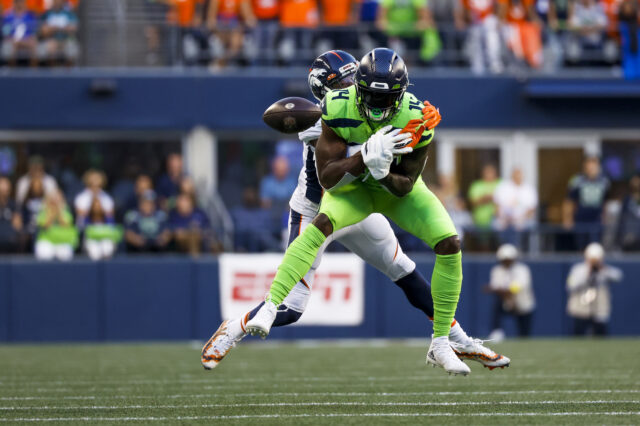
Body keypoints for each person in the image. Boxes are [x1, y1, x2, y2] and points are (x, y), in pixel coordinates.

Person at [203, 50, 509, 374]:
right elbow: (340, 166)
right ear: (324, 89)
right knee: (292, 309)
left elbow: (394, 145)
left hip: (362, 200)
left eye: (353, 80)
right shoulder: (321, 120)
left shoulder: (369, 105)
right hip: (318, 208)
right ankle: (234, 328)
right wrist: (378, 146)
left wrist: (414, 129)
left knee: (406, 272)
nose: (352, 86)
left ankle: (454, 338)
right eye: (343, 82)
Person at [566, 242, 622, 336]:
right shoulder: (578, 269)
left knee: (600, 336)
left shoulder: (604, 270)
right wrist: (587, 273)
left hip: (599, 309)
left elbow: (618, 276)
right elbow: (570, 285)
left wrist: (602, 269)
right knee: (577, 336)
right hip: (581, 309)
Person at [486, 243, 535, 340]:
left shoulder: (522, 269)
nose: (506, 262)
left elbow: (518, 287)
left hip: (522, 303)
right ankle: (496, 331)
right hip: (505, 301)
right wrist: (507, 297)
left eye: (508, 259)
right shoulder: (497, 270)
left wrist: (506, 291)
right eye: (504, 260)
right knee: (496, 307)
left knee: (524, 332)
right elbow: (495, 287)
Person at [562, 156, 610, 247]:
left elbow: (605, 202)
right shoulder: (577, 181)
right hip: (581, 219)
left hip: (596, 220)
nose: (591, 169)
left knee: (595, 246)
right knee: (581, 245)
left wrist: (605, 218)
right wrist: (568, 219)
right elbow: (569, 201)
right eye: (589, 166)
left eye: (593, 166)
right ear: (585, 167)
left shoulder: (604, 182)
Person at [74, 170, 119, 261]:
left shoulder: (106, 198)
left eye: (98, 178)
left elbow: (110, 216)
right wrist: (93, 207)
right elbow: (81, 214)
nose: (95, 180)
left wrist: (99, 209)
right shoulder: (82, 197)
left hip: (104, 231)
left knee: (107, 249)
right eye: (93, 177)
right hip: (87, 231)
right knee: (94, 252)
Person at [455, 0, 504, 74]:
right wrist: (465, 19)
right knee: (475, 37)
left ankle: (495, 63)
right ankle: (477, 65)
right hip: (474, 22)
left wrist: (499, 19)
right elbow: (464, 8)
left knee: (492, 35)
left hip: (489, 20)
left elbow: (498, 5)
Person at [493, 167, 538, 247]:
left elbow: (532, 209)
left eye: (519, 175)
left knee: (519, 228)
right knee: (500, 226)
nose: (517, 177)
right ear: (512, 175)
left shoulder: (529, 188)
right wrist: (504, 217)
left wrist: (519, 218)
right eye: (515, 175)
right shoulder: (503, 187)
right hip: (504, 220)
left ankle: (515, 251)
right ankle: (506, 251)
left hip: (523, 221)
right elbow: (496, 206)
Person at [34, 189, 78, 261]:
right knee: (44, 254)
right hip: (47, 241)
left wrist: (59, 211)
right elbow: (45, 225)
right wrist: (51, 213)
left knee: (65, 254)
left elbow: (66, 224)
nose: (55, 200)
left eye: (57, 198)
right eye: (53, 198)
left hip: (63, 241)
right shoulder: (43, 211)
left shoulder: (66, 210)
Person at [39, 0, 78, 65]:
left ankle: (69, 73)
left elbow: (73, 28)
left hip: (66, 40)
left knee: (71, 49)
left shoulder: (68, 13)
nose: (57, 2)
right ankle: (52, 72)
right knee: (50, 48)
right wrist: (55, 29)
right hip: (51, 40)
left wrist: (59, 28)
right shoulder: (48, 13)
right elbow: (44, 31)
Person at [1, 0, 38, 66]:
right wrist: (13, 39)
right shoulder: (8, 17)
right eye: (17, 2)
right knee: (12, 45)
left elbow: (34, 31)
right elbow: (6, 32)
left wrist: (28, 39)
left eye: (21, 2)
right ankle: (12, 71)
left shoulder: (30, 16)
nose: (19, 4)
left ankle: (34, 71)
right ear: (14, 3)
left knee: (33, 44)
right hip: (13, 40)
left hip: (27, 40)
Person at [468, 163, 500, 229]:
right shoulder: (477, 185)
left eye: (491, 172)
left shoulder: (500, 184)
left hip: (499, 219)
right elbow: (472, 203)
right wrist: (484, 199)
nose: (489, 174)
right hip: (481, 221)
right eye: (487, 172)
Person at [616, 174, 640, 251]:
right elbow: (622, 218)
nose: (636, 183)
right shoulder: (627, 200)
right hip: (629, 236)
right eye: (634, 181)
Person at [0, 176, 23, 253]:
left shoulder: (14, 205)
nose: (3, 192)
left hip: (10, 240)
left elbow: (18, 226)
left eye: (6, 190)